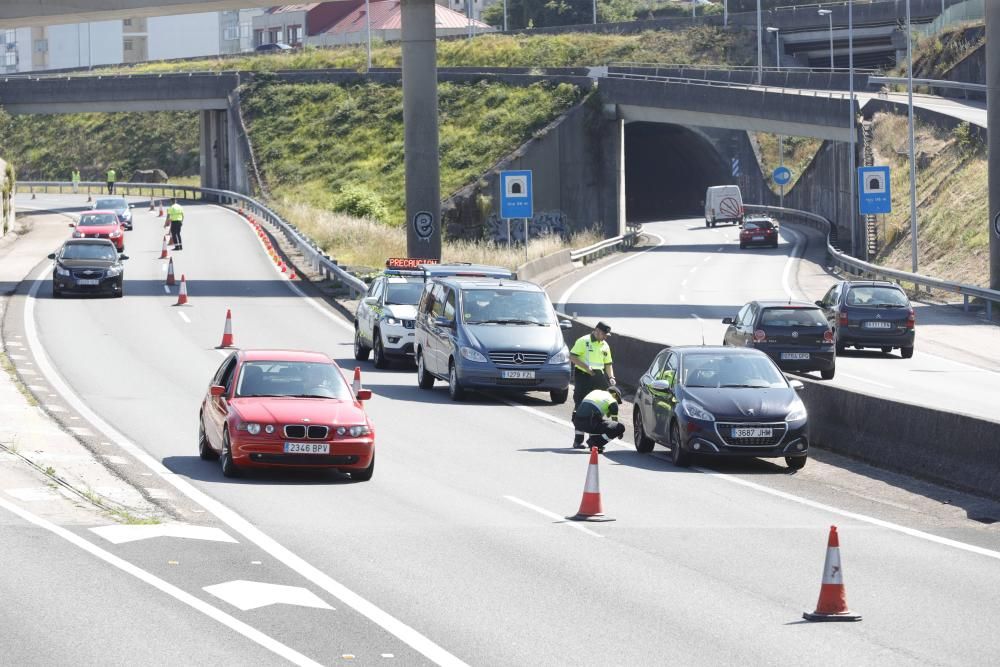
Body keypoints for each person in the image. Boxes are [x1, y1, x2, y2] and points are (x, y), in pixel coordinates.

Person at [569, 321, 616, 448]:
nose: (605, 337)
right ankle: (578, 440)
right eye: (604, 334)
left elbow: (608, 363)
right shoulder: (583, 341)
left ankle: (594, 441)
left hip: (598, 377)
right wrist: (586, 367)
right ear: (597, 331)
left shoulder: (605, 345)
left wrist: (611, 377)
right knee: (580, 405)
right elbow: (572, 357)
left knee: (598, 406)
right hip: (583, 375)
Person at [572, 385, 625, 453]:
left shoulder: (596, 392)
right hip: (590, 422)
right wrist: (619, 433)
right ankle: (594, 443)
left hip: (576, 420)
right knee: (620, 427)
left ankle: (577, 442)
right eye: (617, 400)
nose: (617, 402)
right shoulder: (612, 400)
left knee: (592, 418)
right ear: (614, 394)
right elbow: (615, 423)